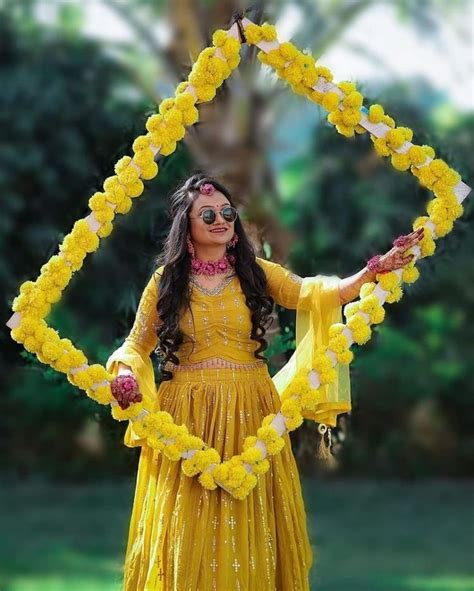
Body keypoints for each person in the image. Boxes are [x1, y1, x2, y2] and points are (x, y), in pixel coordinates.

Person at [106, 173, 424, 590]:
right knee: (188, 520)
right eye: (208, 214)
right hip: (187, 417)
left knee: (252, 517)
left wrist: (372, 271)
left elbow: (315, 294)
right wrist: (125, 373)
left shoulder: (255, 272)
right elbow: (135, 344)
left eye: (226, 212)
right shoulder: (166, 282)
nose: (221, 220)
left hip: (251, 412)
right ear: (187, 226)